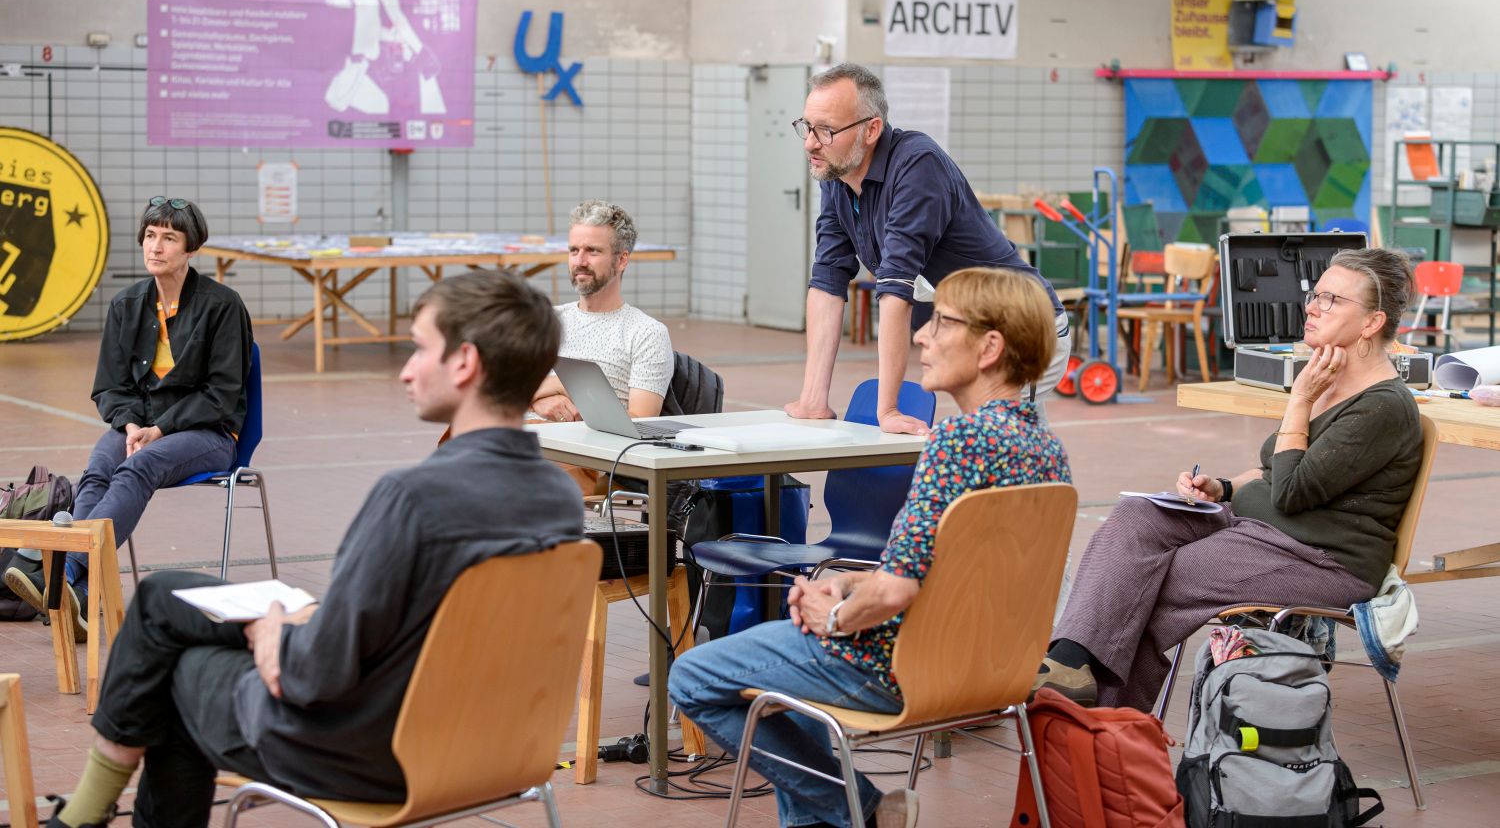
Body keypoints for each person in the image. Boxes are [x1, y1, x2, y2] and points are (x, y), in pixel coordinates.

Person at [38, 270, 583, 828]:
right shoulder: (560, 498)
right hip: (492, 745)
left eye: (420, 349)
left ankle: (82, 814)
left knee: (176, 674)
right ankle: (83, 815)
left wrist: (274, 634)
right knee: (162, 594)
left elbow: (314, 675)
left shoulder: (413, 499)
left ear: (465, 363)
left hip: (368, 752)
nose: (405, 369)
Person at [671, 268, 1073, 828]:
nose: (921, 336)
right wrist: (851, 583)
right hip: (993, 672)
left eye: (943, 322)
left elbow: (900, 589)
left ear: (990, 348)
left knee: (692, 677)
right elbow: (946, 573)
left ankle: (862, 810)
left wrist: (834, 615)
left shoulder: (958, 442)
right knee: (793, 677)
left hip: (899, 668)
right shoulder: (1046, 451)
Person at [1035, 248, 1423, 712]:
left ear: (1371, 323)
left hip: (1320, 558)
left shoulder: (1383, 405)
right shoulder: (1331, 378)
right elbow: (1271, 469)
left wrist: (1298, 399)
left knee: (1152, 581)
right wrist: (1224, 488)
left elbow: (1293, 492)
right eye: (1316, 294)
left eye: (1333, 300)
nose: (1313, 307)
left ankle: (1100, 728)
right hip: (1262, 528)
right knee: (1137, 516)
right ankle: (1068, 663)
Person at [6, 197, 251, 638]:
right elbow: (110, 387)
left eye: (169, 238)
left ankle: (63, 569)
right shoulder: (127, 305)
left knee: (137, 467)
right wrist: (134, 424)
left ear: (191, 248)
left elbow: (223, 393)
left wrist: (161, 428)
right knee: (99, 469)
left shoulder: (222, 306)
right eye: (150, 236)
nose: (155, 247)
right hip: (143, 428)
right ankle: (77, 593)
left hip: (208, 432)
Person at [783, 64, 1070, 437]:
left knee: (1003, 444)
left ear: (871, 130)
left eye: (826, 130)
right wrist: (812, 400)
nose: (810, 143)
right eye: (807, 127)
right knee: (996, 448)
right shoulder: (838, 174)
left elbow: (896, 286)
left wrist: (887, 410)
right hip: (966, 331)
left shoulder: (917, 164)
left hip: (1020, 329)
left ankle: (1037, 492)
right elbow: (827, 280)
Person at [529, 200, 673, 493]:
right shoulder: (547, 320)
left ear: (621, 260)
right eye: (573, 250)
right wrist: (541, 400)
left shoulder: (646, 332)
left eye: (592, 251)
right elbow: (498, 393)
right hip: (521, 443)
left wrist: (559, 387)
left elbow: (640, 426)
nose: (580, 260)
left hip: (585, 458)